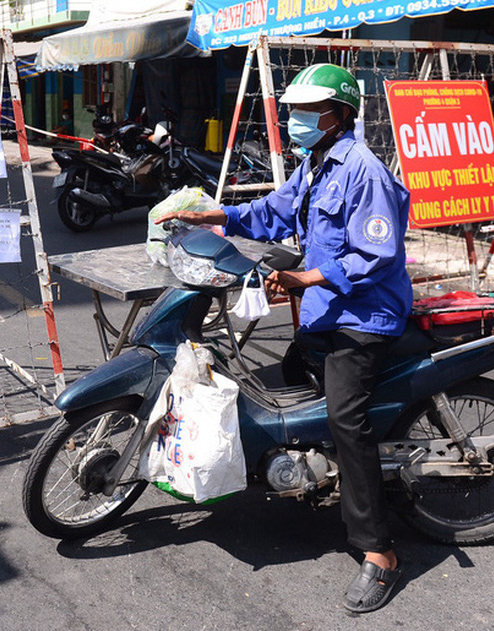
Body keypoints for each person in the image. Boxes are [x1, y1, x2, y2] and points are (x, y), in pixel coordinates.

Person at [155, 63, 411, 614]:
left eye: (305, 111)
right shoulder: (316, 163)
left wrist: (304, 277)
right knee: (292, 379)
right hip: (326, 313)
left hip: (364, 318)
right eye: (291, 110)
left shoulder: (362, 170)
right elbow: (275, 210)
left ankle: (380, 552)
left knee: (346, 418)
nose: (295, 120)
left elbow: (377, 254)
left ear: (339, 114)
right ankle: (317, 479)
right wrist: (216, 216)